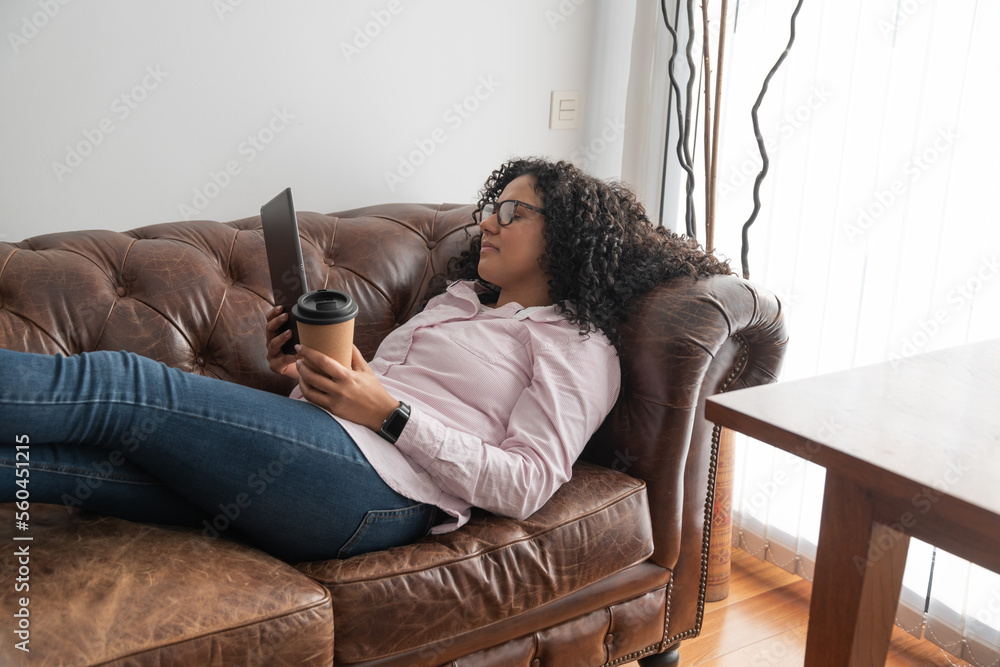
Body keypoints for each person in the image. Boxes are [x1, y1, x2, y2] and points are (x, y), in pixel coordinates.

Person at [0, 157, 730, 562]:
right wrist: (311, 375)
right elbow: (365, 398)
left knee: (129, 383)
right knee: (54, 468)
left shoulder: (578, 344)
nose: (488, 223)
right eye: (490, 208)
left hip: (380, 494)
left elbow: (529, 481)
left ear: (566, 236)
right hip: (330, 458)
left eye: (513, 211)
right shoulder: (455, 301)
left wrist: (388, 411)